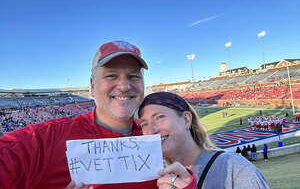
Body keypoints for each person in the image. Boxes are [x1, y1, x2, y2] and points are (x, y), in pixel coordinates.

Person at [0, 41, 195, 189]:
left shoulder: (155, 138)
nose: (124, 86)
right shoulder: (41, 140)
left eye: (133, 76)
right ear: (92, 87)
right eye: (111, 75)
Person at [138, 92, 270, 189]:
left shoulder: (234, 167)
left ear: (186, 119)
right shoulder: (157, 179)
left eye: (160, 117)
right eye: (144, 123)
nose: (151, 131)